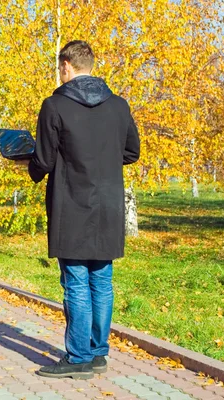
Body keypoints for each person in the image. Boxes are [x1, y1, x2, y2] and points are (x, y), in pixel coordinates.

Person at [24, 41, 140, 379]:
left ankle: (77, 359)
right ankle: (97, 353)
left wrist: (27, 165)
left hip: (71, 205)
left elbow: (43, 160)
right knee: (102, 280)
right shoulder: (119, 105)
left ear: (65, 66)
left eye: (59, 68)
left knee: (75, 282)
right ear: (90, 65)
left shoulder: (54, 105)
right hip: (107, 207)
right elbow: (131, 152)